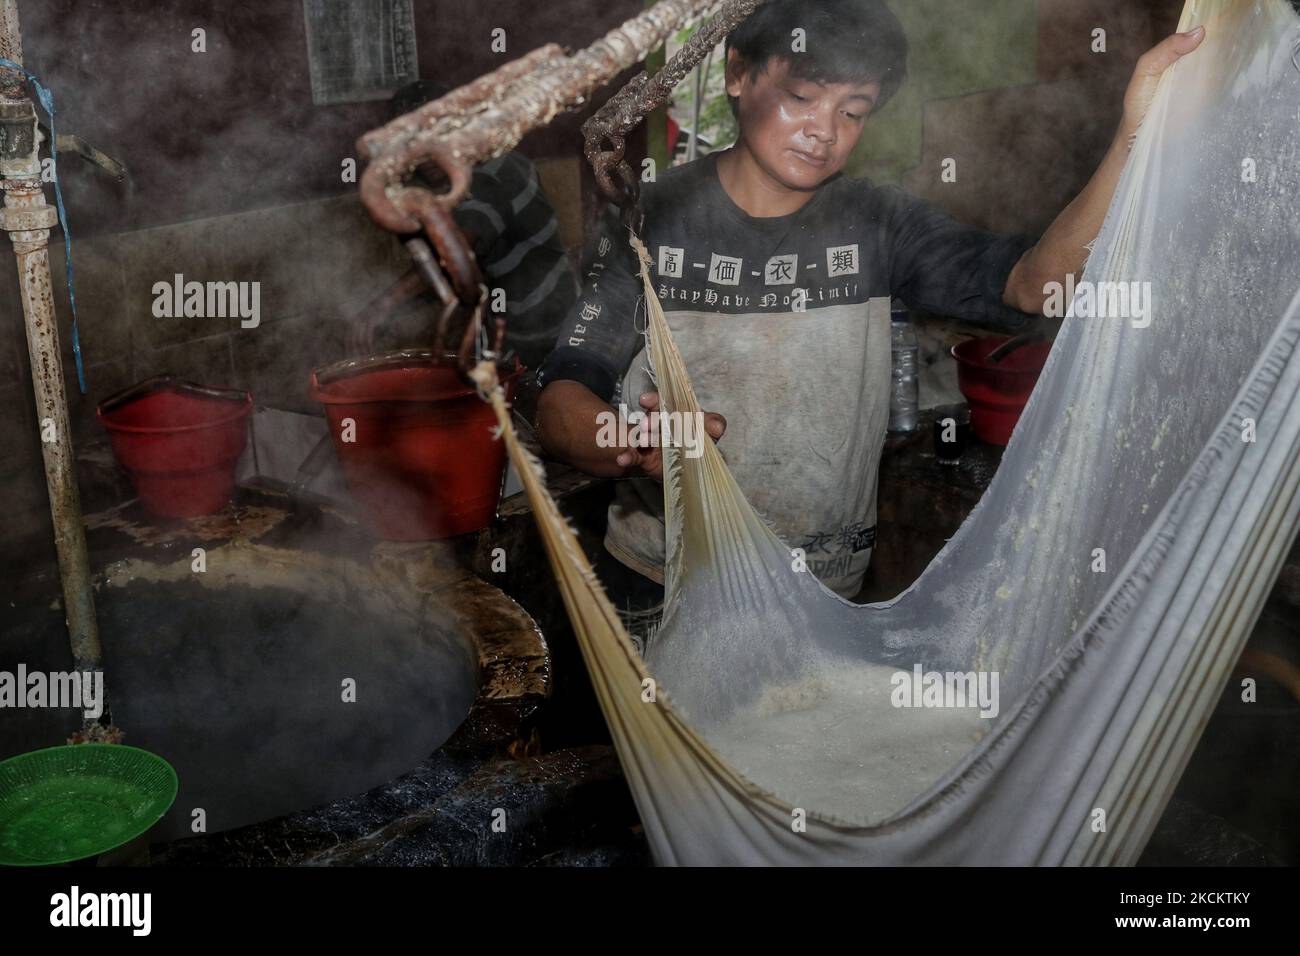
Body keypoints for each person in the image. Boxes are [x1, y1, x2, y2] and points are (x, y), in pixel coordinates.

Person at [532, 0, 1205, 646]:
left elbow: (1037, 284)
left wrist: (1135, 137)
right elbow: (562, 396)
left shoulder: (882, 226)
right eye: (801, 98)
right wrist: (628, 440)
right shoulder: (648, 223)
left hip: (821, 592)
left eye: (852, 111)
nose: (823, 130)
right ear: (738, 72)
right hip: (660, 584)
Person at [348, 80, 580, 372]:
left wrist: (379, 307)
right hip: (508, 331)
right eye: (413, 144)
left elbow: (455, 253)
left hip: (547, 334)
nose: (426, 154)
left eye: (440, 135)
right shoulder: (458, 182)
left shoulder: (497, 172)